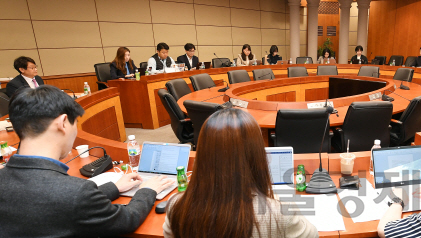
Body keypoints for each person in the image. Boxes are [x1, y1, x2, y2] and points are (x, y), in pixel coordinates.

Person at [0, 85, 174, 237]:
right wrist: (147, 190)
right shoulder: (76, 192)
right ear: (63, 123)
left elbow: (62, 203)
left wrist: (114, 188)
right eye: (75, 123)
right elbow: (127, 219)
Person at [163, 108, 318, 237]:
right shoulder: (281, 213)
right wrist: (272, 200)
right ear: (258, 156)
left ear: (202, 155)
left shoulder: (175, 206)